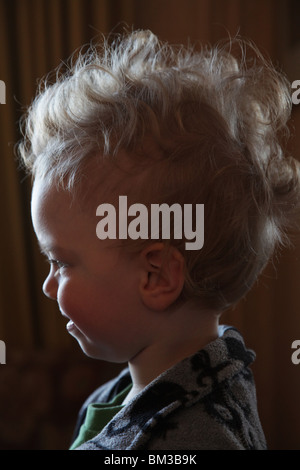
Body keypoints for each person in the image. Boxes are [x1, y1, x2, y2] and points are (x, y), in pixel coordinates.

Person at [18, 30, 300, 450]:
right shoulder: (164, 383)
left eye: (61, 262)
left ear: (156, 276)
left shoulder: (196, 439)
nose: (48, 283)